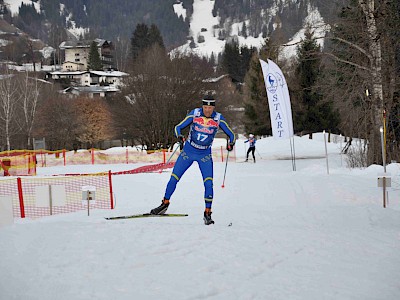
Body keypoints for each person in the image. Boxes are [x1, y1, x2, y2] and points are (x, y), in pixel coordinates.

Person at [150, 94, 236, 225]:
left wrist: (230, 144)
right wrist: (179, 137)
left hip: (205, 155)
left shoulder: (218, 118)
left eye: (210, 107)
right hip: (188, 152)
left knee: (208, 183)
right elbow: (177, 127)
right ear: (202, 106)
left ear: (213, 108)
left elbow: (231, 135)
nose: (207, 110)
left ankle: (207, 213)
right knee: (174, 178)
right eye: (205, 107)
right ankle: (164, 204)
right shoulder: (195, 114)